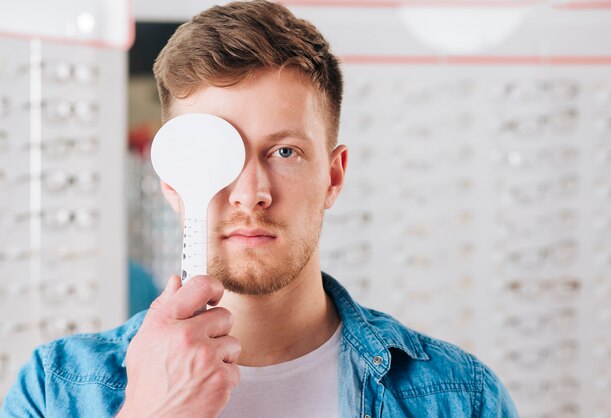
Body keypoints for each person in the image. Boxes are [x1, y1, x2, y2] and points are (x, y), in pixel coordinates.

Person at [0, 1, 519, 417]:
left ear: (333, 176)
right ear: (171, 180)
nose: (251, 193)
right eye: (213, 156)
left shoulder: (460, 399)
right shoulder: (55, 392)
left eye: (284, 152)